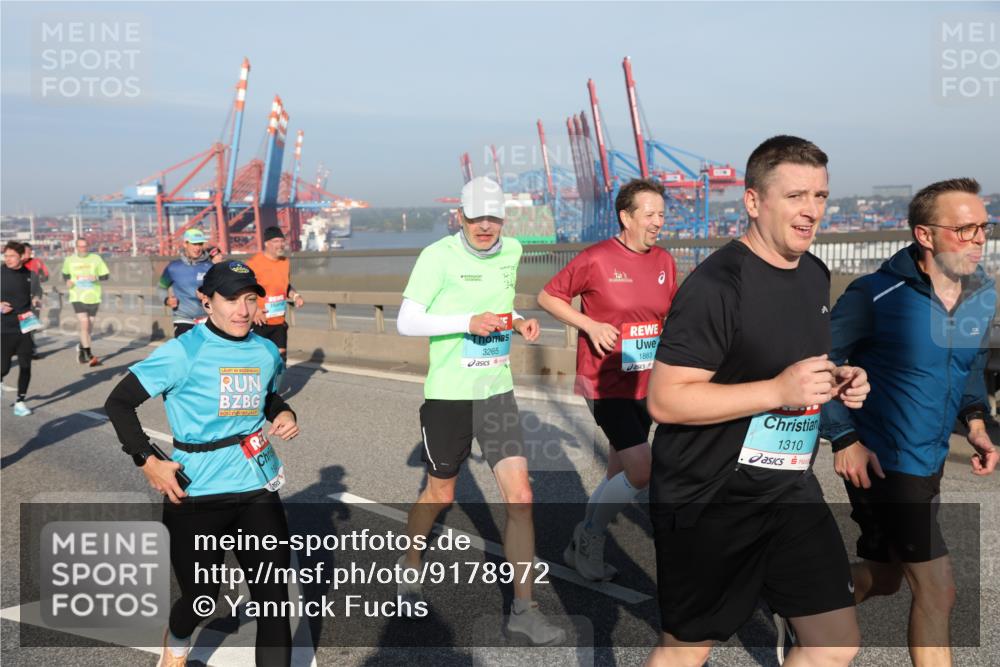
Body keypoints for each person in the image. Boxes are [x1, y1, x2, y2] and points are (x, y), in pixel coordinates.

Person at [644, 136, 870, 667]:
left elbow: (788, 365)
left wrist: (839, 379)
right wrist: (778, 391)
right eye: (795, 196)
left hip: (789, 489)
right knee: (685, 650)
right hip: (710, 496)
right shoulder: (717, 285)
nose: (811, 210)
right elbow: (665, 400)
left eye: (820, 196)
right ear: (752, 201)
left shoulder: (813, 273)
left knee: (835, 644)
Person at [821, 177, 998, 667]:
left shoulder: (979, 293)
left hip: (930, 457)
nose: (979, 239)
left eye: (984, 227)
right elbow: (819, 363)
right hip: (884, 461)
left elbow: (970, 365)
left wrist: (975, 422)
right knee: (939, 590)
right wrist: (844, 437)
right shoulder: (875, 294)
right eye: (964, 229)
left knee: (887, 577)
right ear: (925, 235)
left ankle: (805, 609)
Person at [395, 176, 564, 645]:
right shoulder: (437, 256)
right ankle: (409, 566)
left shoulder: (513, 251)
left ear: (504, 219)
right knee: (440, 494)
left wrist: (518, 321)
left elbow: (500, 304)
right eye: (476, 218)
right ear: (461, 217)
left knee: (521, 497)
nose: (485, 227)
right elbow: (407, 320)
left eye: (493, 218)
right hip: (449, 395)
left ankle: (524, 610)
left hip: (495, 391)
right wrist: (465, 321)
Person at [105, 260, 300, 667]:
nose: (243, 310)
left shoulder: (265, 350)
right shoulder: (183, 352)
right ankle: (177, 643)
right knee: (200, 599)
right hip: (196, 493)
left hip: (256, 488)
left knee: (274, 601)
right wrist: (147, 460)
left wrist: (283, 411)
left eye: (250, 299)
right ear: (206, 301)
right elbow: (119, 403)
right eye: (231, 299)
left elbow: (265, 396)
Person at [537, 178, 677, 581]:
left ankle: (580, 546)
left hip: (645, 381)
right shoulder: (597, 258)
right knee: (642, 470)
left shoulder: (664, 261)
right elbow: (548, 296)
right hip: (604, 380)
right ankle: (589, 536)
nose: (658, 222)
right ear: (625, 217)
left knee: (620, 471)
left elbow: (669, 316)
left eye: (661, 214)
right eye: (649, 214)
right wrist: (590, 324)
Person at [246, 227, 304, 362]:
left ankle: (278, 377)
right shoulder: (253, 264)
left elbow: (285, 285)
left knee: (280, 359)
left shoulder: (285, 262)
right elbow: (245, 291)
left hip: (278, 321)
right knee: (261, 361)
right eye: (276, 241)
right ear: (266, 243)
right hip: (259, 321)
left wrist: (295, 296)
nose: (280, 244)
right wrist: (255, 310)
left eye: (282, 241)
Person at [2, 241, 42, 416]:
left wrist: (37, 299)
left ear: (22, 256)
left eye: (12, 256)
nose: (8, 259)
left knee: (26, 366)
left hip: (25, 326)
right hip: (4, 327)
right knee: (3, 368)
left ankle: (20, 402)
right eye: (6, 255)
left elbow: (38, 291)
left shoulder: (31, 275)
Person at [60, 237, 109, 366]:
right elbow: (65, 274)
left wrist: (96, 277)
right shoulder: (69, 260)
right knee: (84, 322)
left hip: (94, 296)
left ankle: (82, 347)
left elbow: (106, 275)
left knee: (89, 327)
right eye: (80, 246)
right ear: (76, 247)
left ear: (88, 246)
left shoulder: (96, 259)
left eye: (85, 246)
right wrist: (67, 281)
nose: (83, 249)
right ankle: (88, 354)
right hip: (77, 295)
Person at [158, 228, 215, 337]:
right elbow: (161, 287)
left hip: (206, 318)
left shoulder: (210, 267)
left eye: (200, 244)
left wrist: (208, 295)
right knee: (186, 347)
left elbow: (220, 291)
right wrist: (166, 300)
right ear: (185, 244)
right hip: (182, 318)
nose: (198, 248)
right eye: (194, 244)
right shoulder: (173, 267)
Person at [20, 242, 47, 359]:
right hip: (16, 302)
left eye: (30, 252)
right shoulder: (11, 267)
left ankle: (31, 348)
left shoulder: (36, 263)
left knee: (31, 325)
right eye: (27, 252)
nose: (29, 254)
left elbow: (44, 279)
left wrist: (37, 296)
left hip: (32, 299)